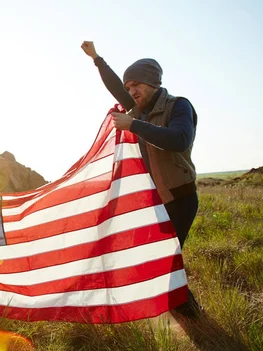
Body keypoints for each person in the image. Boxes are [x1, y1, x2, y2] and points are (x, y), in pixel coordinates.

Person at [81, 41, 201, 318]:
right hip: (157, 199)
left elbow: (179, 140)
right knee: (161, 257)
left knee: (167, 257)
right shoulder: (139, 108)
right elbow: (115, 87)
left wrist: (133, 124)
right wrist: (97, 58)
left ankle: (190, 314)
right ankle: (183, 310)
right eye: (129, 86)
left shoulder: (178, 107)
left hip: (181, 198)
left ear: (153, 83)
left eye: (136, 85)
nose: (131, 91)